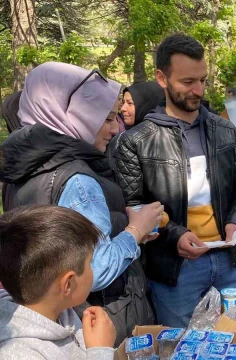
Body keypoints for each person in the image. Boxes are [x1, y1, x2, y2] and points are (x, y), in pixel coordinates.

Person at [0, 62, 162, 344]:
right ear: (73, 114)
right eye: (107, 118)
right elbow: (94, 270)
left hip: (51, 319)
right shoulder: (76, 179)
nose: (115, 129)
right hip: (100, 319)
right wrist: (136, 231)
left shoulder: (23, 166)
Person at [115, 34, 236, 328]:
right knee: (179, 346)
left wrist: (234, 220)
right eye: (188, 82)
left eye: (203, 80)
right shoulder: (136, 141)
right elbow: (134, 206)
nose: (198, 90)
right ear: (161, 78)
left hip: (229, 260)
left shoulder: (225, 131)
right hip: (175, 269)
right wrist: (175, 234)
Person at [0, 205, 117, 360]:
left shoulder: (60, 311)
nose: (92, 269)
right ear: (68, 284)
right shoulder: (18, 354)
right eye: (90, 263)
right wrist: (101, 351)